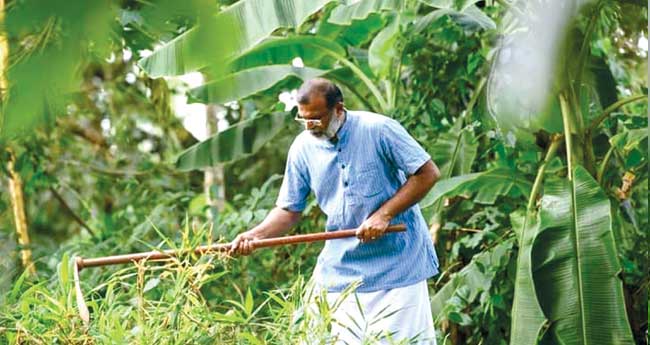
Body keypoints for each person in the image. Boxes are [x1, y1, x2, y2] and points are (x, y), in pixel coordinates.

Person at [230, 78, 441, 344]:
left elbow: (427, 173)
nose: (310, 126)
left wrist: (384, 214)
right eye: (303, 119)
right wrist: (255, 235)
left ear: (338, 109)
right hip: (340, 271)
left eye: (317, 119)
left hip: (398, 266)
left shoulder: (379, 129)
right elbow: (289, 209)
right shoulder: (302, 147)